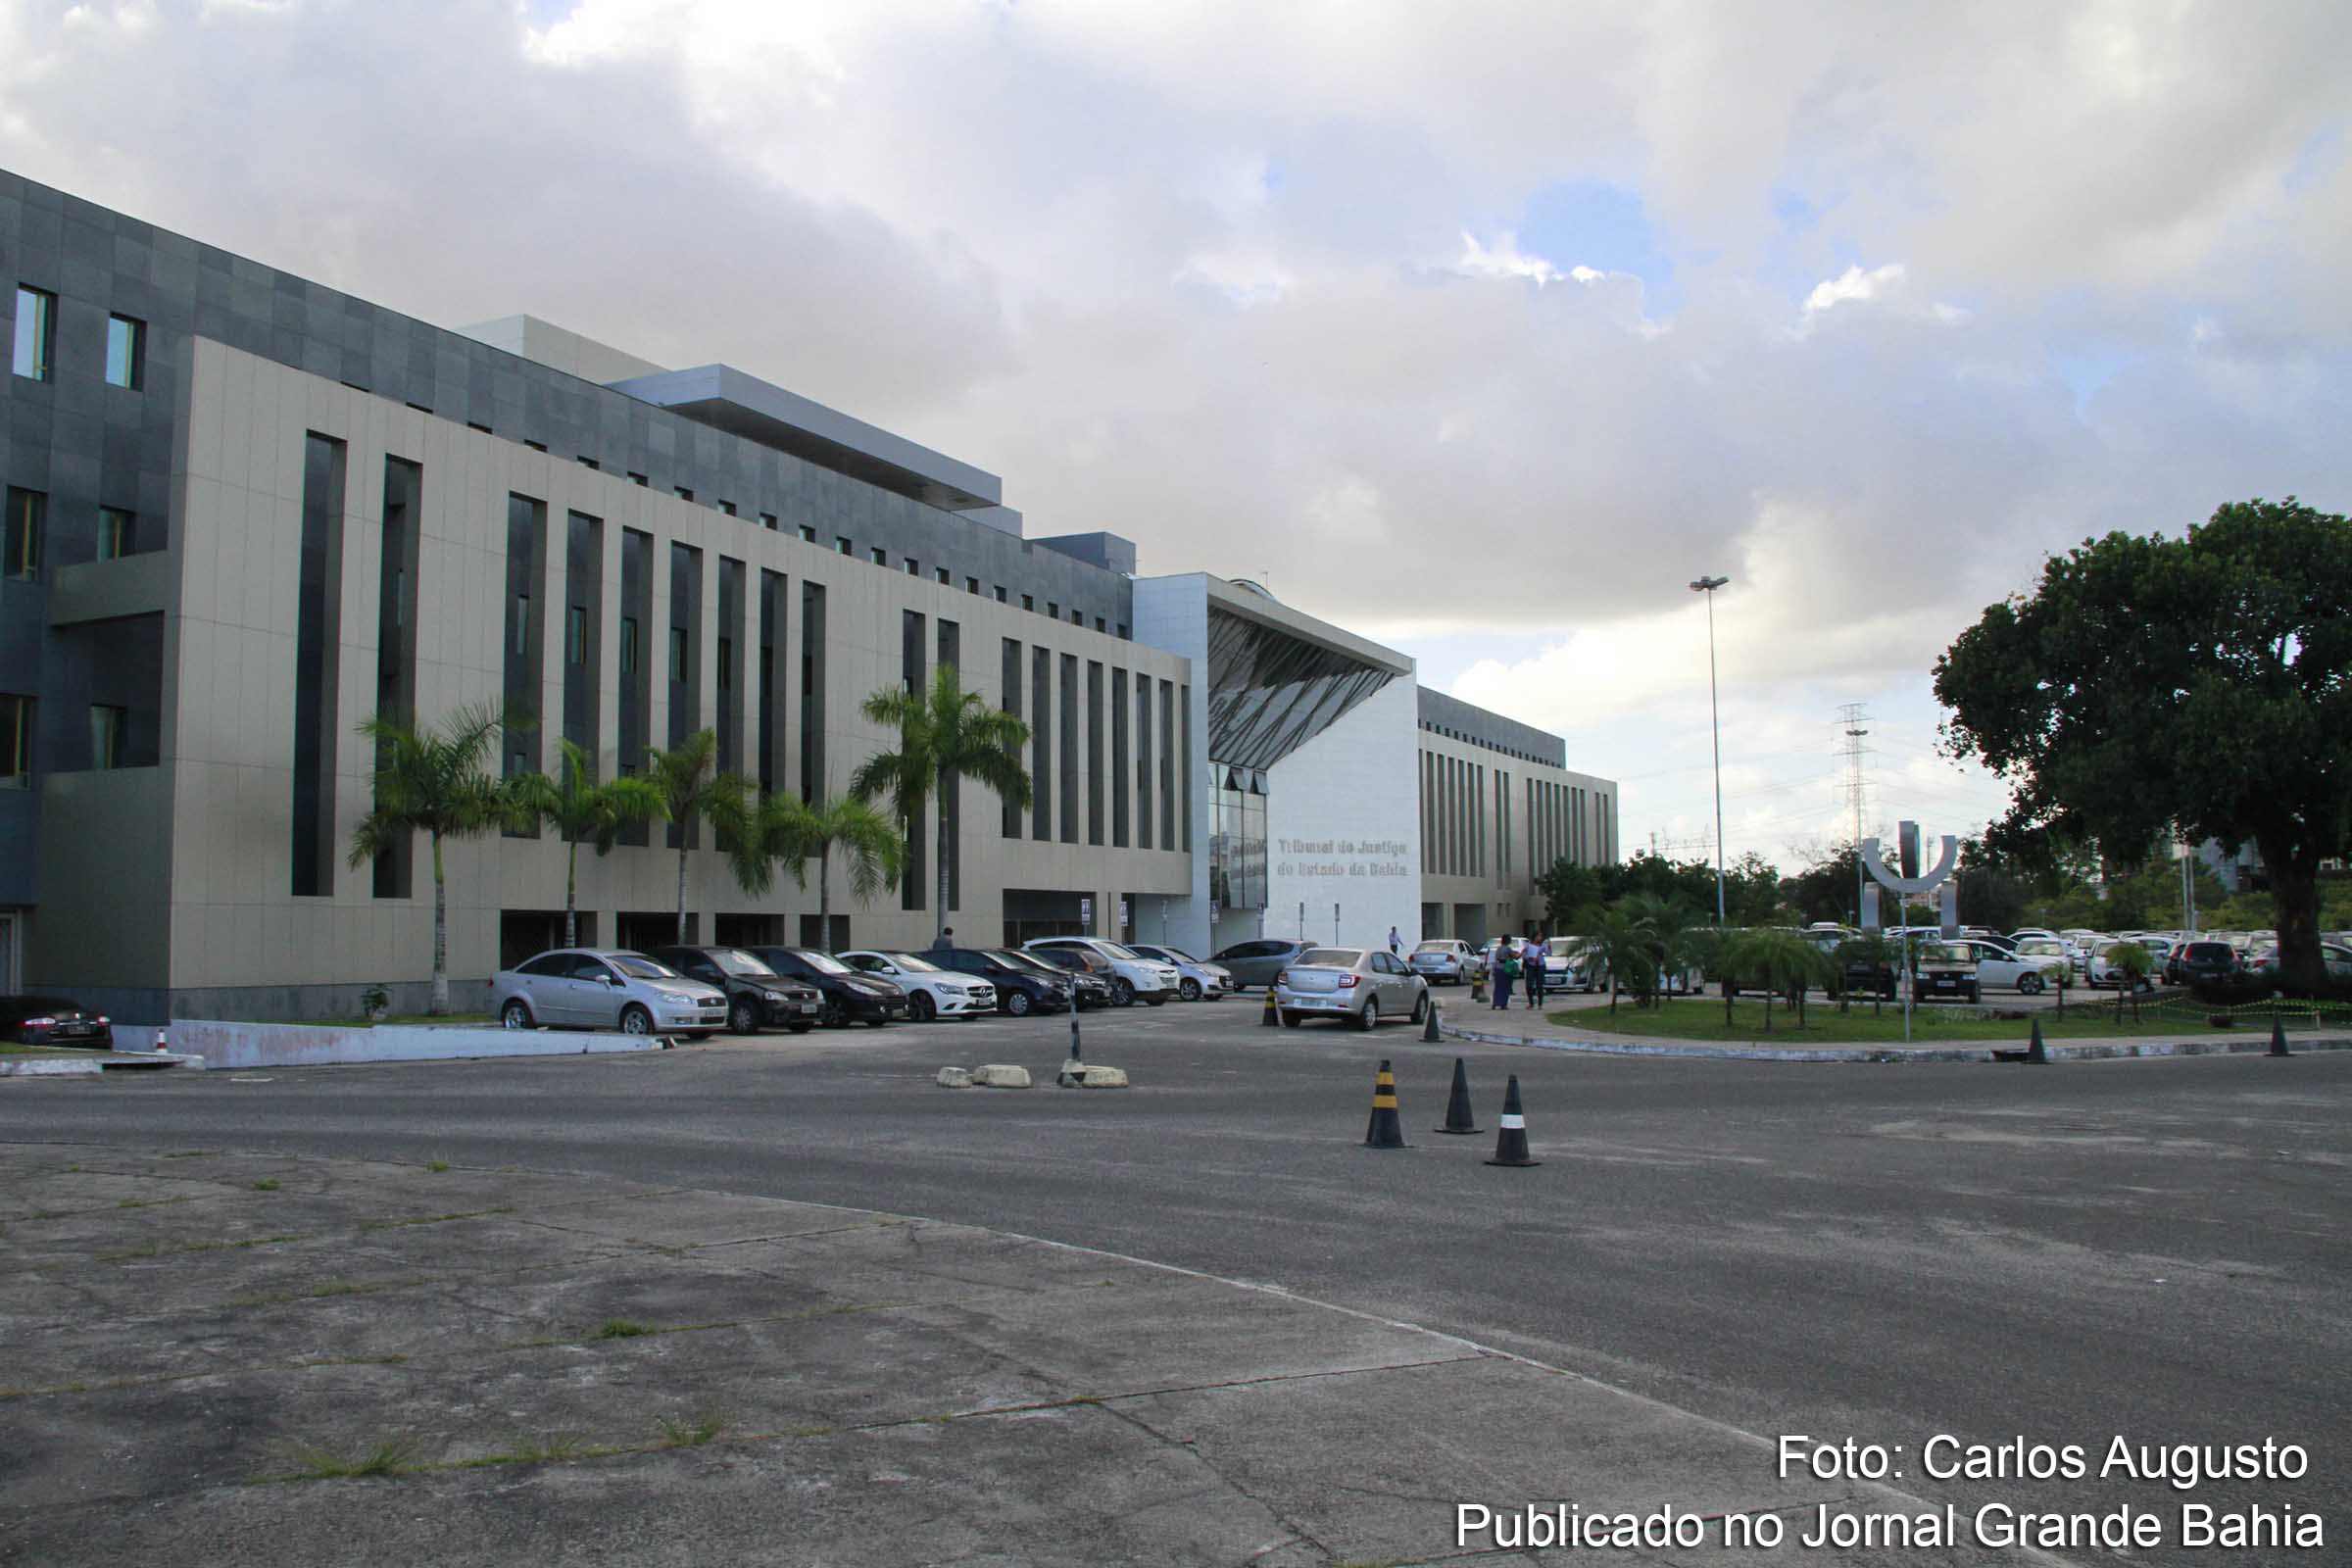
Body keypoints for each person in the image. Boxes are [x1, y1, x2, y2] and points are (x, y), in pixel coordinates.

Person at [1489, 940, 1513, 1009]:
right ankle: (1503, 1004)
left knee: (1498, 987)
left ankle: (1495, 1003)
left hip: (1497, 968)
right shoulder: (1508, 948)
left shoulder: (1498, 948)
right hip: (1505, 968)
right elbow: (1514, 956)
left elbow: (1496, 958)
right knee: (1506, 987)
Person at [1525, 931, 1546, 1007]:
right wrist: (1529, 958)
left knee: (1540, 985)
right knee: (1529, 985)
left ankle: (1540, 1003)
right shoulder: (1528, 945)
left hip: (1540, 965)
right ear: (1534, 937)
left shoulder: (1543, 945)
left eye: (1541, 936)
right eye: (1538, 936)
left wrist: (1549, 948)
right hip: (1531, 965)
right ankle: (1531, 1002)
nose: (1540, 938)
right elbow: (1524, 955)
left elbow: (1549, 953)